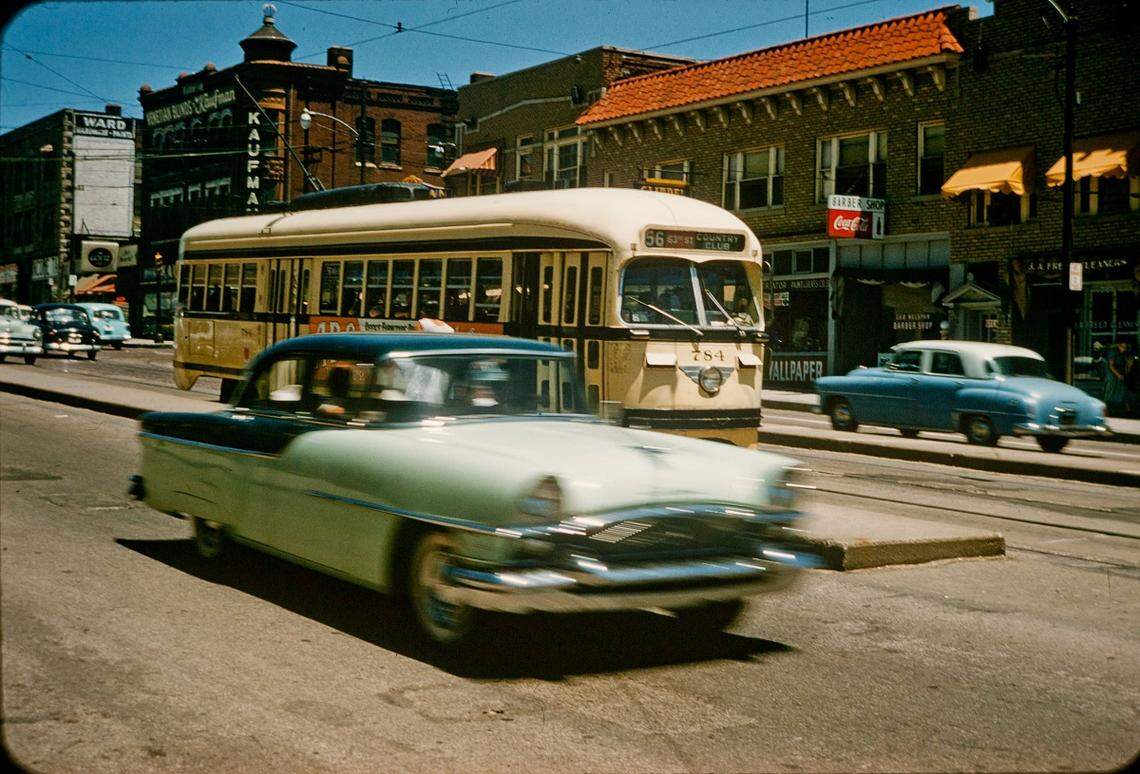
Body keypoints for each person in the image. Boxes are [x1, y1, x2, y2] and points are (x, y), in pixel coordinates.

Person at [1104, 338, 1132, 416]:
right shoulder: (1113, 352)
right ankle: (1105, 409)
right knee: (1110, 391)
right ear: (1119, 346)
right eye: (1123, 347)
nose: (1124, 349)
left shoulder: (1124, 354)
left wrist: (1128, 366)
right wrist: (1118, 374)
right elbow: (1111, 366)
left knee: (1124, 390)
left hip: (1121, 374)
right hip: (1113, 375)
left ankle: (1128, 409)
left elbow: (1126, 367)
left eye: (1126, 347)